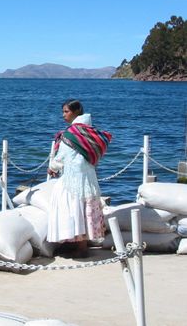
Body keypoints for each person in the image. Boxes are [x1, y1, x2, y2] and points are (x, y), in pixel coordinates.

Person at [46, 99, 111, 257]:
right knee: (83, 209)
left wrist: (52, 167)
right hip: (87, 175)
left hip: (72, 177)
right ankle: (80, 245)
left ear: (76, 112)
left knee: (71, 208)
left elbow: (62, 156)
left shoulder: (71, 134)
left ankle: (79, 247)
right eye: (63, 112)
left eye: (66, 112)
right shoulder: (90, 131)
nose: (63, 115)